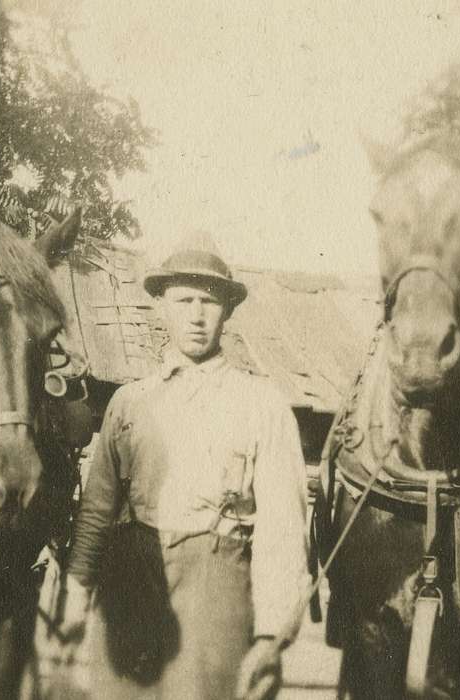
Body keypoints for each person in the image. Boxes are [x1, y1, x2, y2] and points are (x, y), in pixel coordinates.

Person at [57, 231, 310, 700]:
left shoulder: (262, 405)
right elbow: (96, 511)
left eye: (209, 302)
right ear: (160, 305)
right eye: (184, 300)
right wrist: (74, 597)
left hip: (215, 588)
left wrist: (272, 635)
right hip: (130, 585)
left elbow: (283, 530)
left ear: (228, 311)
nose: (196, 315)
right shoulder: (129, 402)